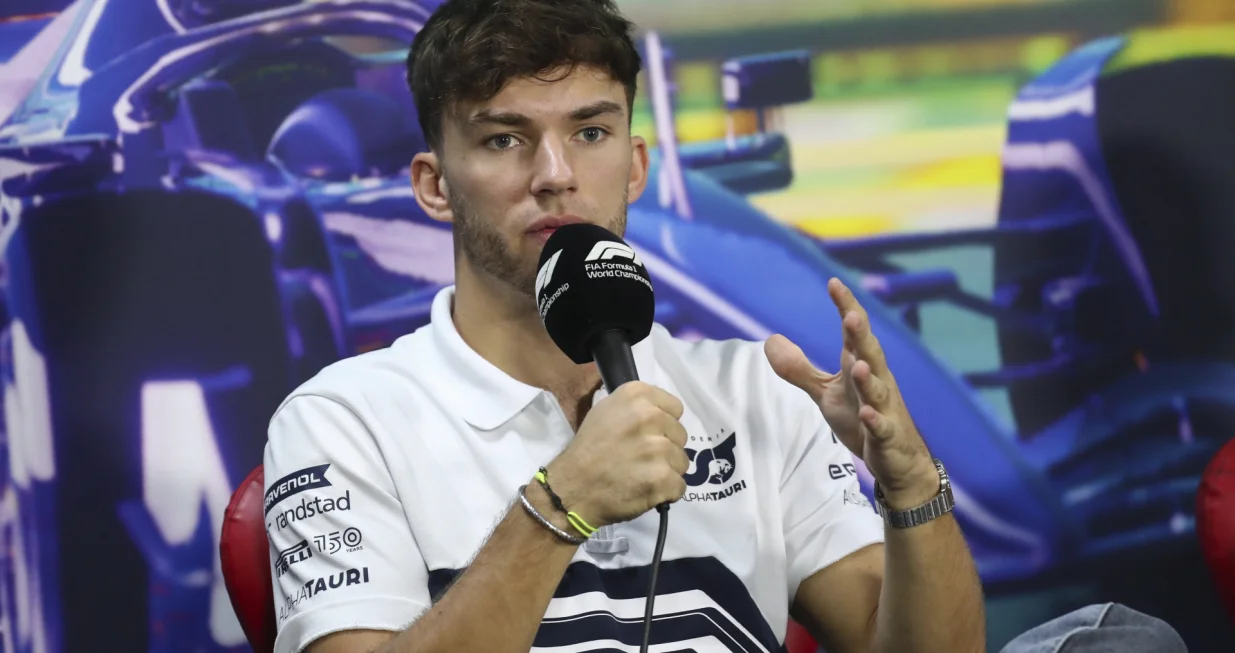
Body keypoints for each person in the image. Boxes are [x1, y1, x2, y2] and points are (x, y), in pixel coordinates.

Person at [261, 0, 986, 651]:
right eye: (504, 140)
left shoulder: (754, 393)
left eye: (590, 131)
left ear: (635, 167)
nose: (554, 173)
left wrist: (910, 483)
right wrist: (558, 507)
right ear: (433, 185)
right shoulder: (340, 420)